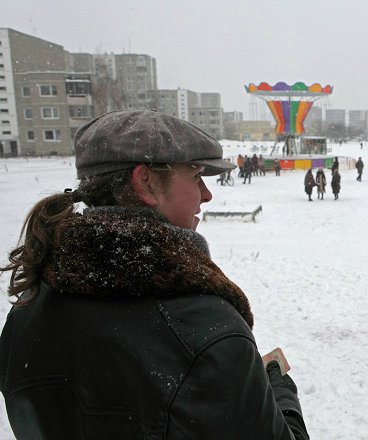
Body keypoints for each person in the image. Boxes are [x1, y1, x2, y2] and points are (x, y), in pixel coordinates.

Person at [0, 110, 309, 440]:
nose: (207, 194)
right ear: (145, 182)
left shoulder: (27, 314)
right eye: (195, 177)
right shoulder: (207, 332)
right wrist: (280, 394)